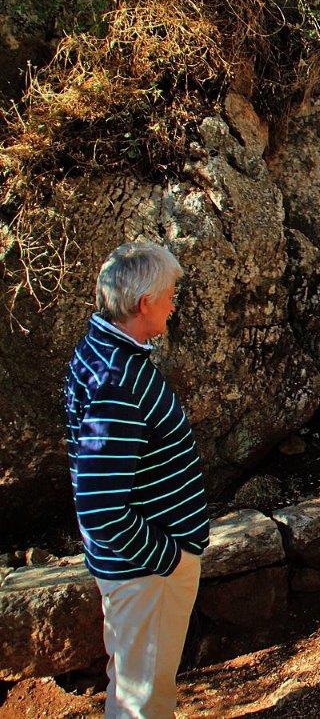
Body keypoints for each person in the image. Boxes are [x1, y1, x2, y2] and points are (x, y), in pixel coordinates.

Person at [64, 241, 209, 718]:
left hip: (140, 570)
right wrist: (167, 559)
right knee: (142, 701)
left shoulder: (103, 351)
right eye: (169, 294)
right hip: (146, 573)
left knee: (136, 689)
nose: (173, 302)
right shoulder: (116, 380)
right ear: (145, 303)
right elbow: (101, 509)